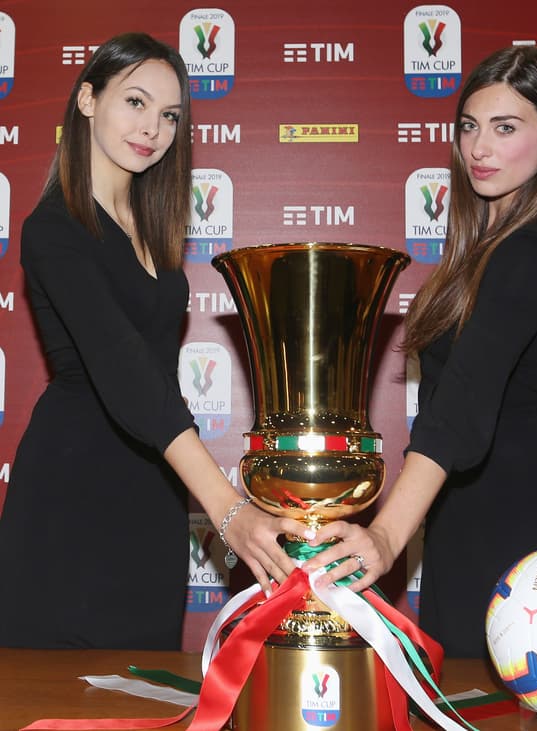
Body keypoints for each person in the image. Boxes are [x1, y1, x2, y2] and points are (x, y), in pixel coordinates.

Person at [0, 33, 303, 650]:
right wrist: (227, 508)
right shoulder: (53, 229)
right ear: (87, 99)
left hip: (151, 494)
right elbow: (127, 372)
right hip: (73, 492)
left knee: (143, 689)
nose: (153, 129)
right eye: (135, 102)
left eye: (169, 115)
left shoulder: (152, 229)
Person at [303, 45, 537, 658]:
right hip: (466, 509)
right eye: (469, 127)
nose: (480, 148)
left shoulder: (533, 251)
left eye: (506, 128)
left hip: (519, 520)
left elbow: (463, 399)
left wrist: (385, 535)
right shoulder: (489, 239)